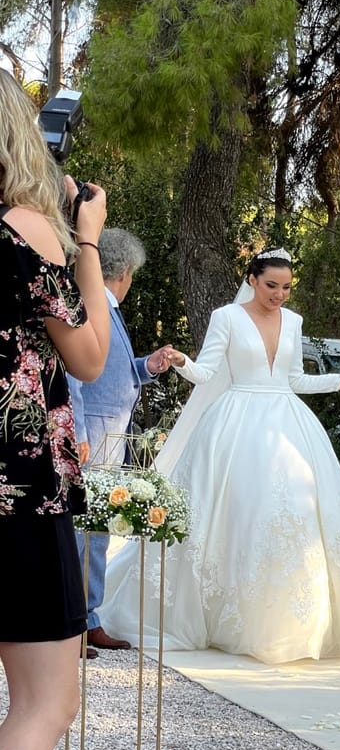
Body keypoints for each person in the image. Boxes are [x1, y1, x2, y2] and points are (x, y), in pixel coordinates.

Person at [99, 248, 340, 662]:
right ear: (253, 280)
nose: (279, 295)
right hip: (236, 421)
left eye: (287, 288)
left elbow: (292, 379)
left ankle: (288, 624)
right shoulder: (227, 317)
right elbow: (206, 374)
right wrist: (181, 360)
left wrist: (338, 381)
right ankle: (219, 613)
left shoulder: (292, 322)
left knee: (294, 507)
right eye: (272, 285)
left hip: (288, 422)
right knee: (237, 512)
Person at [0, 68, 108, 750]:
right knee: (45, 699)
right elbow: (89, 354)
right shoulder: (27, 229)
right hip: (16, 496)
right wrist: (82, 239)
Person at [67, 228, 173, 657]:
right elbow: (74, 372)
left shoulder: (106, 308)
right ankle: (74, 625)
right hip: (91, 432)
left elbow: (111, 370)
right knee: (82, 533)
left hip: (107, 432)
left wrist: (146, 365)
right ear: (125, 272)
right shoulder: (92, 307)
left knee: (96, 531)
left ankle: (88, 618)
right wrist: (74, 430)